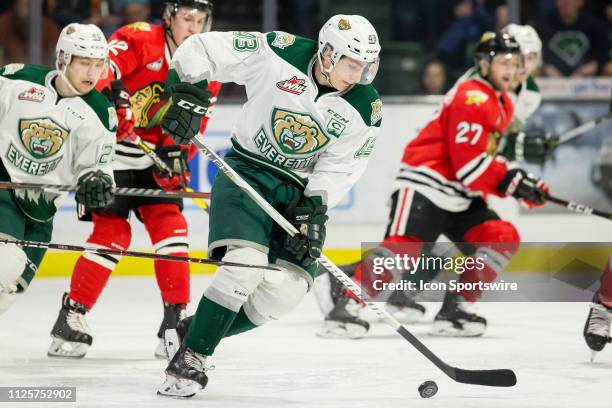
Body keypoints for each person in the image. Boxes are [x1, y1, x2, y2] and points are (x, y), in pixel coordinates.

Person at [154, 14, 382, 397]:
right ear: (327, 53)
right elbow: (203, 48)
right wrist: (185, 92)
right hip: (247, 172)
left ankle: (189, 331)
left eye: (365, 67)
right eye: (351, 64)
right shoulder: (279, 51)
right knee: (245, 266)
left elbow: (343, 166)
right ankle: (192, 356)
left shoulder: (366, 107)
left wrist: (314, 209)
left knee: (286, 292)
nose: (357, 75)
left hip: (297, 194)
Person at [318, 31, 550, 339]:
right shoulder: (473, 95)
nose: (511, 68)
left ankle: (455, 309)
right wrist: (512, 182)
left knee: (501, 236)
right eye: (503, 61)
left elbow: (483, 159)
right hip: (426, 182)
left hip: (459, 193)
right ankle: (345, 308)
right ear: (484, 64)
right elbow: (469, 164)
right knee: (404, 251)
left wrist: (521, 183)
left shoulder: (504, 101)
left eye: (515, 62)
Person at [47, 0, 221, 359]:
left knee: (171, 227)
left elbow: (195, 124)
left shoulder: (207, 67)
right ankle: (72, 316)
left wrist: (175, 153)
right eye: (187, 17)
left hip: (153, 156)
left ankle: (174, 321)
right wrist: (115, 102)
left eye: (200, 20)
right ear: (170, 18)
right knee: (113, 234)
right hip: (106, 152)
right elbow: (101, 71)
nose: (193, 26)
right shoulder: (140, 38)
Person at [379, 24, 558, 322]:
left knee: (470, 241)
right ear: (491, 61)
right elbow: (469, 146)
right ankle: (363, 287)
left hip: (467, 179)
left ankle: (432, 301)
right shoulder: (477, 88)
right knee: (423, 246)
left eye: (528, 57)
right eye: (514, 58)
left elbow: (496, 143)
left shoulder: (526, 93)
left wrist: (522, 157)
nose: (521, 65)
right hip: (440, 169)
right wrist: (512, 176)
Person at [0, 23, 116, 315]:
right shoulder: (16, 80)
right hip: (5, 189)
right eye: (85, 63)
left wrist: (96, 182)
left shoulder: (100, 112)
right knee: (5, 263)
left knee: (10, 288)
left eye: (99, 64)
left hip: (42, 213)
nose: (92, 73)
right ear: (63, 59)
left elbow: (98, 165)